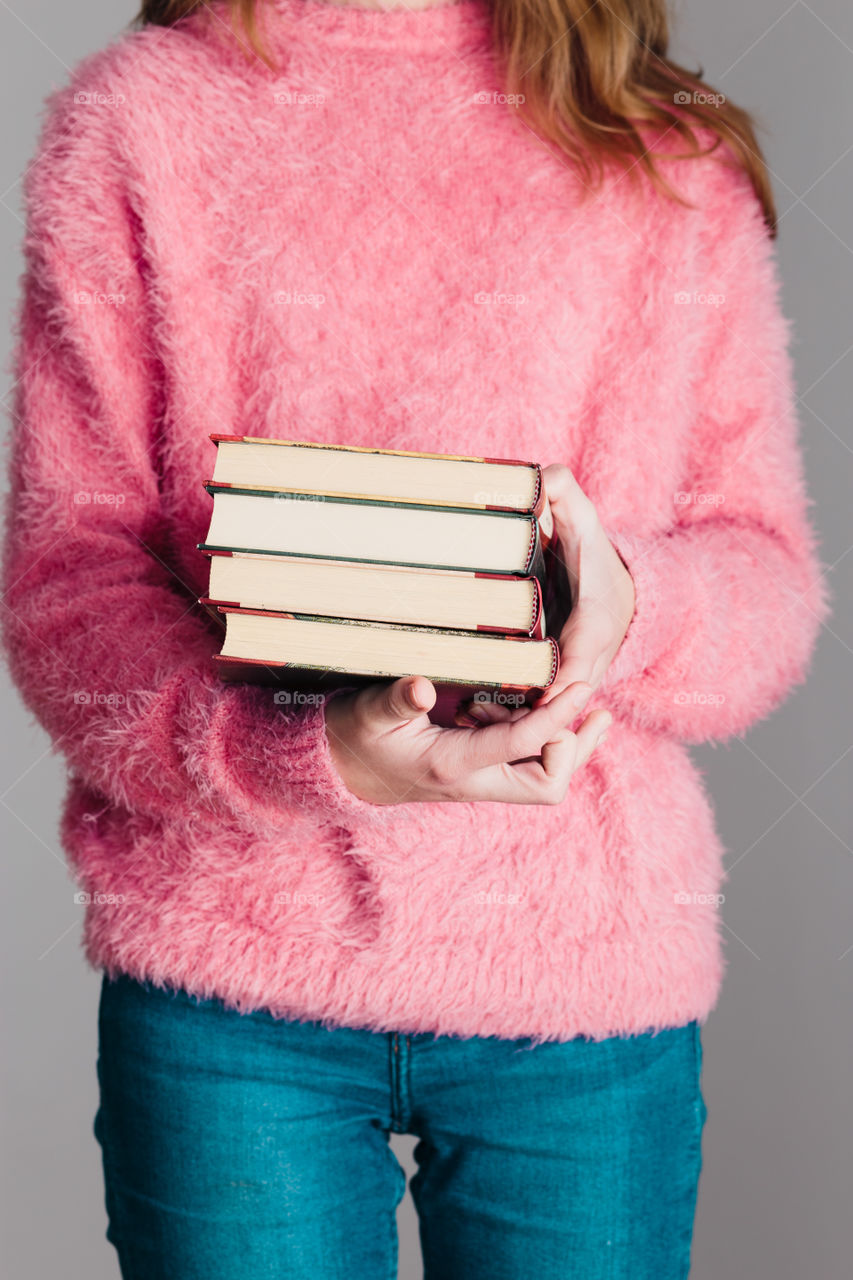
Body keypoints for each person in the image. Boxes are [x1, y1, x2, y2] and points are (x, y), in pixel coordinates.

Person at [2, 0, 828, 1276]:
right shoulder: (140, 121)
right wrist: (297, 752)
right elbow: (70, 586)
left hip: (580, 1006)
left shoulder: (662, 157)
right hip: (234, 993)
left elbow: (765, 584)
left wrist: (628, 606)